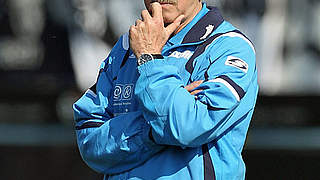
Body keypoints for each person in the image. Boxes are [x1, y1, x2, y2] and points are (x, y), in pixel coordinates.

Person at [73, 0, 258, 179]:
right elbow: (89, 140)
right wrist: (151, 129)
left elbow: (187, 127)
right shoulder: (126, 47)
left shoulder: (230, 47)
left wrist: (149, 58)